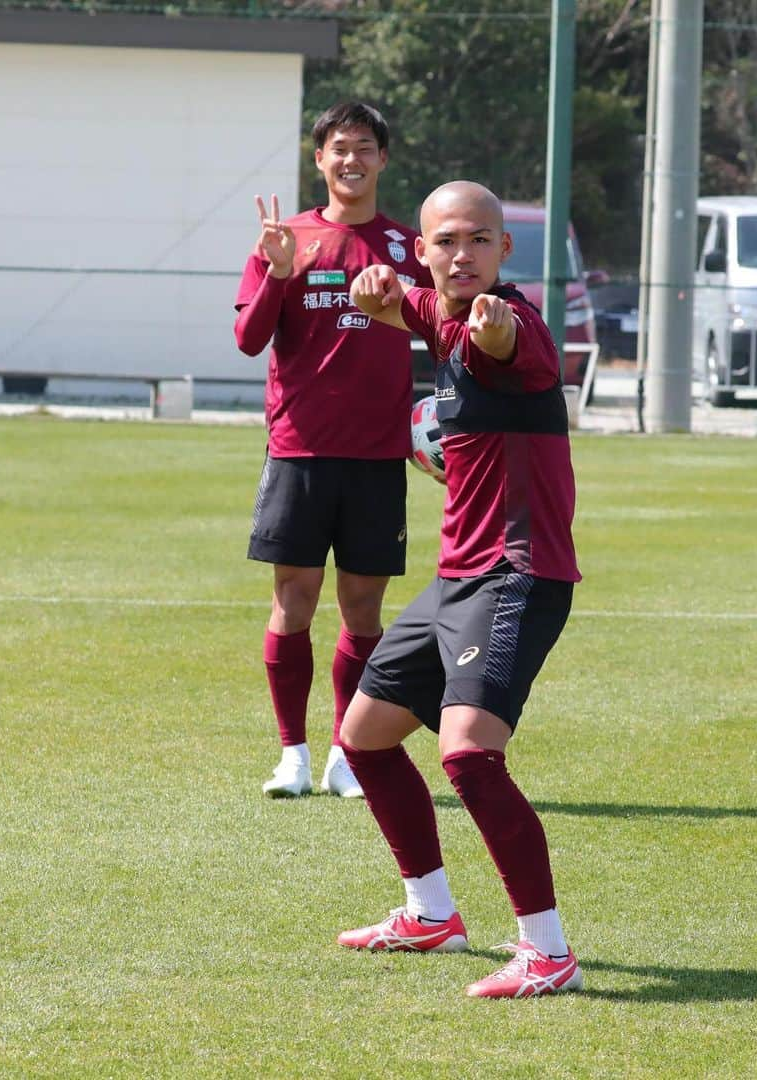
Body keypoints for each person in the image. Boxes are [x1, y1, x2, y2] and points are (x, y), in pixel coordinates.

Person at [337, 181, 583, 998]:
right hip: (455, 579)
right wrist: (376, 291)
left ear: (505, 251)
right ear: (425, 249)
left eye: (479, 239)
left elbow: (502, 342)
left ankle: (548, 952)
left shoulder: (512, 329)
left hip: (517, 575)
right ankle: (429, 912)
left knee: (470, 753)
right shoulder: (438, 309)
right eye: (445, 241)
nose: (462, 254)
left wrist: (500, 327)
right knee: (364, 737)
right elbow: (409, 301)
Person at [233, 102, 431, 799]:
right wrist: (280, 272)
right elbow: (249, 340)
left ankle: (349, 754)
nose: (351, 159)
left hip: (378, 456)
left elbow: (450, 332)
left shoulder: (411, 248)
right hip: (300, 450)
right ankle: (292, 755)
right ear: (319, 160)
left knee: (362, 610)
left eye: (365, 147)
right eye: (339, 148)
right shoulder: (284, 240)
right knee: (294, 599)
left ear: (383, 159)